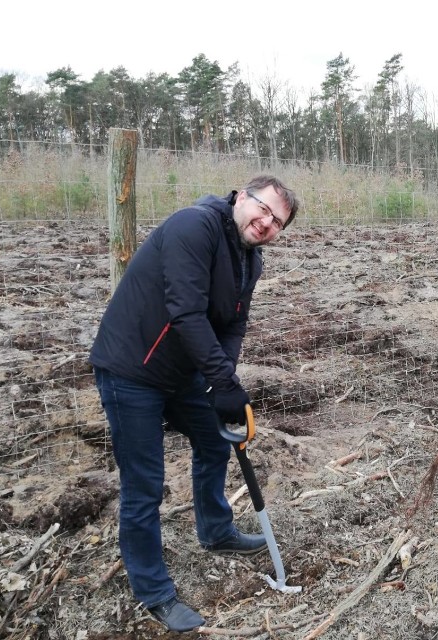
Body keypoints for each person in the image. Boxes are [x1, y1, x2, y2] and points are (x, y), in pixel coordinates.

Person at [90, 175, 299, 632]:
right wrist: (222, 381)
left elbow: (232, 326)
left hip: (180, 374)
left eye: (278, 222)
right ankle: (154, 590)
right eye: (263, 210)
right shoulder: (194, 226)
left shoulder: (251, 260)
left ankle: (216, 530)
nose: (267, 223)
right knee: (144, 483)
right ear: (241, 197)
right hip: (132, 370)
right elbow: (185, 310)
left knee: (213, 440)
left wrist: (222, 383)